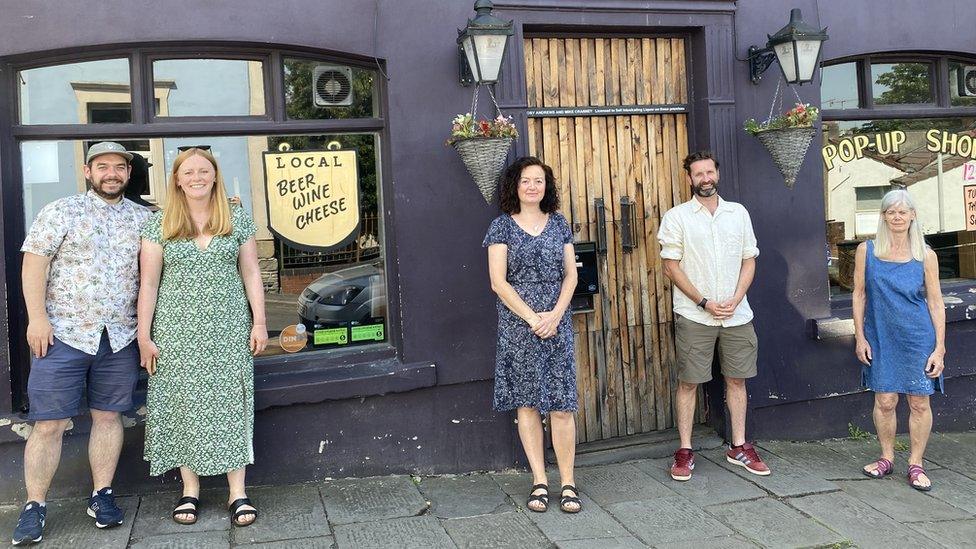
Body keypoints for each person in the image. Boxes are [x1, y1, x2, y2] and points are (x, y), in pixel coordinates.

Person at [12, 142, 150, 545]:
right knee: (49, 423)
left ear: (128, 173)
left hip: (119, 336)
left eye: (119, 167)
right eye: (103, 166)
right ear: (88, 171)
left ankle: (101, 495)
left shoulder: (144, 219)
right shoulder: (61, 211)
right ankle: (35, 505)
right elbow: (34, 262)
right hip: (63, 335)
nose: (112, 173)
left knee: (108, 417)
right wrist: (37, 318)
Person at [137, 147, 267, 527]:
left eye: (204, 170)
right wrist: (144, 336)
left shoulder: (236, 218)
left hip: (228, 329)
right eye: (188, 172)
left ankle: (237, 492)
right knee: (183, 405)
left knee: (231, 403)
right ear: (177, 179)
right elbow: (148, 283)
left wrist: (259, 322)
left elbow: (252, 274)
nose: (196, 177)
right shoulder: (159, 224)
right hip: (176, 332)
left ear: (214, 175)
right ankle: (189, 490)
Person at [658, 150, 770, 481]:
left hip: (737, 314)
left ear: (717, 174)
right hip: (696, 315)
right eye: (698, 174)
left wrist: (736, 298)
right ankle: (685, 450)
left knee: (738, 378)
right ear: (689, 179)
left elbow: (750, 258)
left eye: (710, 172)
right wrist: (704, 301)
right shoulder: (677, 217)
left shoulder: (738, 213)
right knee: (689, 381)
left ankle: (739, 446)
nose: (705, 179)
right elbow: (670, 266)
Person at [484, 156, 581, 514]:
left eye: (538, 180)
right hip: (518, 327)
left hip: (557, 324)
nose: (532, 186)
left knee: (561, 404)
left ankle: (568, 483)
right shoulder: (501, 227)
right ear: (515, 186)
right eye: (526, 180)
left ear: (546, 186)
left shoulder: (559, 223)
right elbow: (498, 281)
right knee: (527, 403)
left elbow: (571, 275)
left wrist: (554, 315)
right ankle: (540, 481)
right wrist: (533, 319)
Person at [853, 189, 945, 491]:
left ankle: (916, 464)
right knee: (885, 400)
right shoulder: (867, 251)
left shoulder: (925, 255)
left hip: (918, 338)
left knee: (919, 402)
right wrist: (860, 337)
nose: (897, 216)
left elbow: (935, 302)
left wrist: (939, 348)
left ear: (912, 215)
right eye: (891, 211)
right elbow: (859, 294)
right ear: (883, 216)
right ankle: (886, 457)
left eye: (903, 211)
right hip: (880, 336)